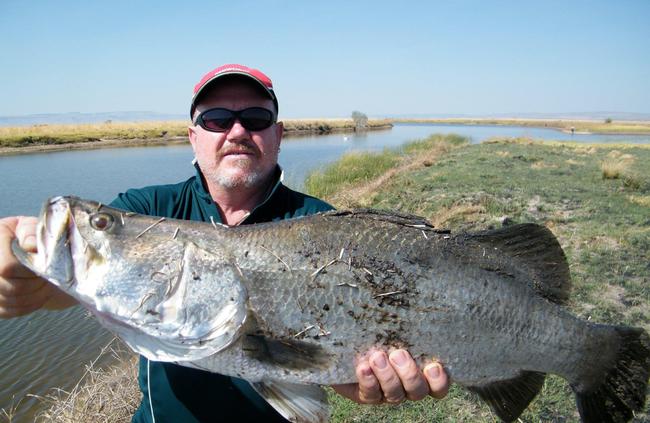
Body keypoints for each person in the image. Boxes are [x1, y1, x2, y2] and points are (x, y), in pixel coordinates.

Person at [0, 64, 449, 422]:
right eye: (216, 119)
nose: (236, 132)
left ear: (278, 134)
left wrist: (360, 384)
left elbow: (321, 372)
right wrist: (21, 277)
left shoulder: (322, 224)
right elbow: (67, 288)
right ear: (193, 137)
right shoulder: (149, 207)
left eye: (255, 119)